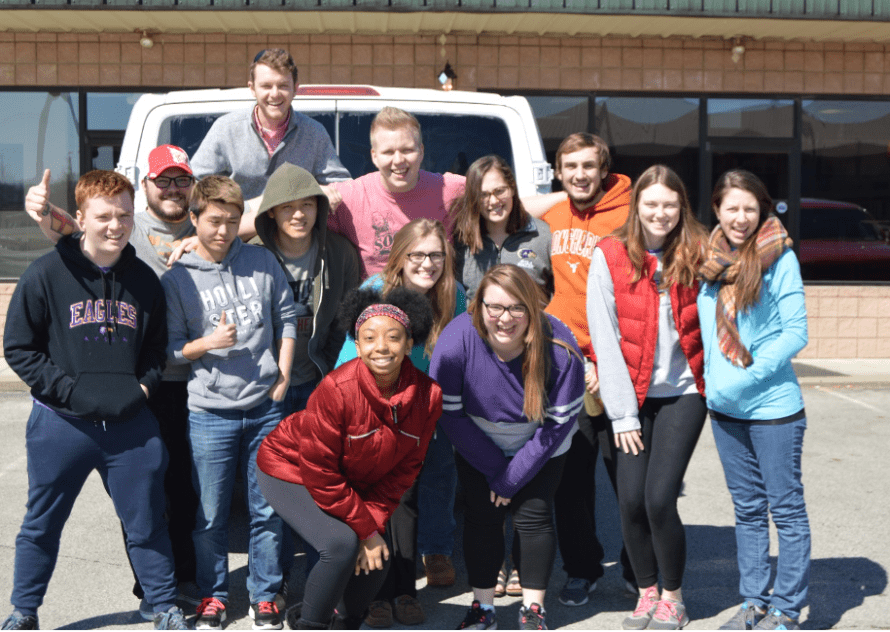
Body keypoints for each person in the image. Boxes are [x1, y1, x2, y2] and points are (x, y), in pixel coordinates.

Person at [2, 170, 190, 632]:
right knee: (42, 525)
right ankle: (24, 612)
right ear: (80, 218)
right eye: (104, 216)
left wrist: (142, 389)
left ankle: (163, 607)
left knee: (148, 523)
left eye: (124, 215)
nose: (116, 225)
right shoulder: (46, 273)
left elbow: (154, 349)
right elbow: (19, 348)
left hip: (130, 427)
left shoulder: (145, 280)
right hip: (61, 426)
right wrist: (71, 392)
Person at [256, 286, 442, 631]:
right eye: (369, 338)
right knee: (341, 544)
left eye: (393, 337)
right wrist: (365, 529)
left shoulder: (429, 397)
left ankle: (347, 624)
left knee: (378, 559)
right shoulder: (336, 389)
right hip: (289, 466)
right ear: (357, 347)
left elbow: (404, 472)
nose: (381, 347)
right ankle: (310, 625)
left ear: (409, 343)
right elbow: (320, 472)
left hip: (348, 478)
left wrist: (370, 529)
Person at [161, 176, 296, 632]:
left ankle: (265, 595)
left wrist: (284, 374)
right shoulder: (177, 278)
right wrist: (207, 343)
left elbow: (287, 316)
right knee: (211, 513)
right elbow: (170, 350)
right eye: (214, 221)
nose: (223, 230)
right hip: (208, 413)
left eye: (233, 222)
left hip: (264, 407)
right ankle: (213, 596)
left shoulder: (260, 260)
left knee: (268, 509)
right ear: (193, 219)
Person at [430, 264, 585, 632]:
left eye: (517, 308)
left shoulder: (560, 347)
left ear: (533, 308)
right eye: (494, 307)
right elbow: (449, 415)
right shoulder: (455, 341)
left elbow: (557, 426)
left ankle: (533, 611)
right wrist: (495, 472)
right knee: (483, 518)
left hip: (542, 440)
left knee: (533, 516)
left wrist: (511, 478)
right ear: (478, 306)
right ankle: (482, 607)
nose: (504, 318)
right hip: (476, 437)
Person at [587, 165, 708, 631]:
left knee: (659, 498)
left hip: (684, 392)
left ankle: (674, 598)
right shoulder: (611, 253)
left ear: (682, 208)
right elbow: (605, 333)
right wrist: (622, 415)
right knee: (630, 500)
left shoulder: (699, 252)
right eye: (651, 203)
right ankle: (647, 592)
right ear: (636, 205)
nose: (660, 213)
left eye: (670, 204)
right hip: (630, 397)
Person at [335, 218, 465, 627]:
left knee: (406, 500)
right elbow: (350, 353)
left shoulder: (453, 295)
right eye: (418, 255)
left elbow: (461, 349)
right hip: (374, 406)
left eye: (436, 256)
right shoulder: (375, 291)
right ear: (400, 256)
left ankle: (405, 591)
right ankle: (375, 595)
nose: (427, 264)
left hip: (423, 409)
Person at [699, 170, 810, 632]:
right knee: (746, 511)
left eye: (750, 208)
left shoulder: (779, 258)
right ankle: (753, 602)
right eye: (732, 208)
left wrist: (743, 377)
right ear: (717, 210)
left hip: (773, 410)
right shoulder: (708, 260)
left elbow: (795, 332)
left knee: (785, 510)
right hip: (725, 411)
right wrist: (714, 385)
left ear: (762, 210)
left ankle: (786, 608)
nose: (741, 218)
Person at [533, 132, 637, 606]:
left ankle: (641, 569)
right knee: (572, 482)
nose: (579, 174)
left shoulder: (630, 213)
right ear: (558, 170)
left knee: (630, 480)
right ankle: (582, 568)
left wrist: (607, 360)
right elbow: (504, 199)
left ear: (604, 170)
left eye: (588, 166)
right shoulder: (554, 214)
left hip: (619, 367)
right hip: (565, 365)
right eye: (569, 166)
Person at [253, 162, 361, 597]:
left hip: (319, 385)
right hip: (269, 388)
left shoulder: (338, 253)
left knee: (322, 484)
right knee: (269, 494)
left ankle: (323, 584)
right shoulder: (253, 253)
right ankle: (270, 590)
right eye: (287, 207)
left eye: (307, 206)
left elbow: (346, 322)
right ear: (272, 214)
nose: (298, 215)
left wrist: (334, 380)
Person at [190, 48, 350, 202]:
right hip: (239, 227)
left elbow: (341, 186)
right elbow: (196, 183)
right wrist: (230, 204)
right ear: (252, 89)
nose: (274, 94)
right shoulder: (226, 129)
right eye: (266, 86)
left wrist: (316, 192)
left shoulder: (314, 133)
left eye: (283, 86)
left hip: (295, 226)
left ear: (295, 89)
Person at [325, 106, 465, 279]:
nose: (398, 160)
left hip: (436, 302)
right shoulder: (350, 197)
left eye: (407, 150)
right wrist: (315, 191)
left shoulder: (449, 189)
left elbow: (498, 190)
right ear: (374, 156)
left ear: (421, 151)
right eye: (388, 152)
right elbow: (292, 208)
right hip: (376, 301)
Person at [450, 154, 552, 300]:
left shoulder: (543, 236)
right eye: (483, 195)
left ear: (512, 188)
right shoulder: (461, 242)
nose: (493, 201)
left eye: (499, 191)